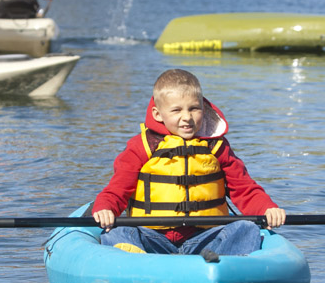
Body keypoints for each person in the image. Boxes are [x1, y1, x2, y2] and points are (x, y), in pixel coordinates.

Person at [92, 69, 286, 263]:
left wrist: (266, 208)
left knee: (247, 228)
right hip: (153, 238)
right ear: (158, 114)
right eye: (176, 110)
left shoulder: (217, 146)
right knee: (117, 232)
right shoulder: (141, 146)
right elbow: (117, 189)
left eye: (194, 108)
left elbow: (244, 189)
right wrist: (105, 208)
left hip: (205, 238)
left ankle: (222, 267)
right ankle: (139, 266)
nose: (187, 117)